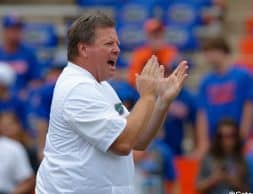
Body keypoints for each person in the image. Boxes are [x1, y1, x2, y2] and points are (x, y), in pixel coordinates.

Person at [35, 12, 188, 194]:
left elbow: (138, 140)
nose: (117, 50)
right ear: (83, 49)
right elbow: (123, 144)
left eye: (117, 44)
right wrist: (147, 96)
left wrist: (162, 101)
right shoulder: (77, 88)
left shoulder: (101, 86)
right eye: (109, 44)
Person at [194, 37, 253, 159]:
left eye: (210, 52)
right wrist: (203, 142)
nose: (207, 57)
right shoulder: (206, 81)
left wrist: (243, 135)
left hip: (236, 137)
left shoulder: (242, 75)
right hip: (215, 140)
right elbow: (202, 113)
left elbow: (249, 106)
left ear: (221, 51)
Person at [196, 119, 250, 194]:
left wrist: (233, 181)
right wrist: (214, 179)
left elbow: (248, 191)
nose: (225, 139)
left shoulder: (242, 160)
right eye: (221, 136)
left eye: (229, 136)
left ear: (236, 137)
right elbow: (198, 187)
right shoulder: (208, 159)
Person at [127, 18, 179, 87]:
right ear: (147, 36)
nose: (157, 37)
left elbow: (175, 78)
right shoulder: (140, 53)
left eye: (159, 34)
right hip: (142, 90)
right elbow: (132, 79)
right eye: (154, 35)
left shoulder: (171, 52)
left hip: (165, 89)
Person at [0, 14, 41, 94]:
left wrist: (26, 92)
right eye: (13, 29)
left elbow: (37, 81)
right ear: (5, 31)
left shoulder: (29, 53)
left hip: (22, 102)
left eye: (19, 29)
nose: (16, 33)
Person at [0, 113, 35, 194]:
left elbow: (29, 180)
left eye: (9, 124)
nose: (6, 128)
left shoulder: (17, 148)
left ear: (18, 126)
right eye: (3, 125)